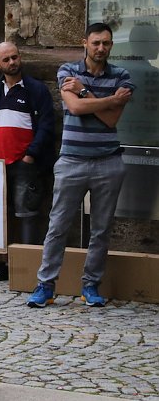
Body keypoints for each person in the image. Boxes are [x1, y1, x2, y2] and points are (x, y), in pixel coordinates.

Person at [27, 22, 135, 308]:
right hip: (72, 162)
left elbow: (111, 120)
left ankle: (91, 285)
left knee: (101, 229)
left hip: (108, 163)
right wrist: (108, 99)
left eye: (107, 43)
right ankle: (45, 285)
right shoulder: (68, 71)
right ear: (84, 42)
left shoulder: (122, 76)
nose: (101, 48)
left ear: (111, 46)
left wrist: (85, 93)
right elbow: (74, 108)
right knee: (58, 225)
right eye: (96, 42)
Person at [0, 42, 55, 281]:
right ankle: (4, 263)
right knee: (1, 216)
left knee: (27, 214)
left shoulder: (35, 89)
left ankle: (27, 266)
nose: (12, 62)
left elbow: (47, 125)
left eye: (15, 57)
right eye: (6, 59)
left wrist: (32, 154)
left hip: (25, 163)